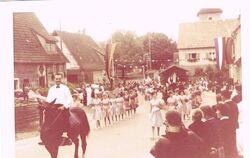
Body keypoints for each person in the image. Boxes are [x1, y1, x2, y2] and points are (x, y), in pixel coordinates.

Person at [46, 73, 73, 144]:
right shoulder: (51, 89)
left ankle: (68, 137)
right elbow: (48, 100)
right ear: (54, 79)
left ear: (61, 79)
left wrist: (64, 106)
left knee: (66, 118)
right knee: (47, 117)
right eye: (56, 79)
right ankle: (47, 136)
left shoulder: (65, 88)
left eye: (59, 79)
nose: (57, 80)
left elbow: (70, 99)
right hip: (53, 107)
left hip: (63, 107)